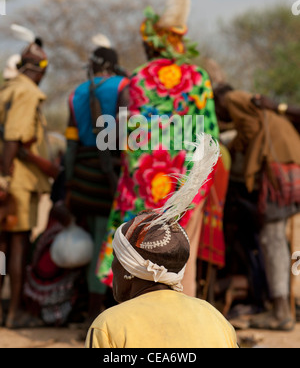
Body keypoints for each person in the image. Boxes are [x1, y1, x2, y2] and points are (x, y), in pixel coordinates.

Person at [97, 0, 219, 298]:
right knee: (182, 257)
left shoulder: (137, 80)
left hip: (143, 185)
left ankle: (134, 322)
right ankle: (185, 327)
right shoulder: (199, 78)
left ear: (153, 43)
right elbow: (211, 139)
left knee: (138, 253)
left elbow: (127, 141)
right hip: (186, 186)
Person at [86, 135, 238, 349]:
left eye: (116, 260)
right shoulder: (216, 319)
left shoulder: (109, 325)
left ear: (130, 269)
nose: (112, 269)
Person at [214, 84, 300, 331]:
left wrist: (234, 149)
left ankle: (281, 311)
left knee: (271, 238)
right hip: (289, 164)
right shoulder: (255, 106)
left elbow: (250, 130)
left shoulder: (231, 98)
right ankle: (282, 307)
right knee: (277, 239)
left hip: (275, 169)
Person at [65, 34, 130, 329]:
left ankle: (91, 308)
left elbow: (70, 145)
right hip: (111, 175)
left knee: (94, 239)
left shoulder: (75, 93)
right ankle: (101, 312)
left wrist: (69, 182)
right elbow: (128, 132)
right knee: (114, 243)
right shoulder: (123, 87)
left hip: (82, 175)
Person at [0, 39, 51, 328]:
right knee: (17, 246)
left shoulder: (7, 88)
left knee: (2, 247)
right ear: (40, 70)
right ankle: (14, 313)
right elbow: (12, 139)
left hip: (9, 177)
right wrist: (6, 178)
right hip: (16, 180)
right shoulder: (26, 92)